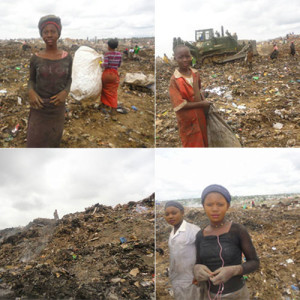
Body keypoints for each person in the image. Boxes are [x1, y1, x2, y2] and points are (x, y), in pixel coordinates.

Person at [194, 184, 259, 300]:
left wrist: (234, 270)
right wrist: (197, 268)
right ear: (203, 206)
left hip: (237, 295)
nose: (215, 209)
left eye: (220, 204)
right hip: (210, 295)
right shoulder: (200, 235)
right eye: (209, 204)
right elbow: (199, 262)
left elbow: (254, 262)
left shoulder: (238, 230)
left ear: (227, 206)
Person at [27, 15, 72, 147]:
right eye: (45, 32)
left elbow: (69, 79)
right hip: (39, 107)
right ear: (42, 35)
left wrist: (65, 92)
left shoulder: (67, 58)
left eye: (53, 31)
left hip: (57, 109)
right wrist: (31, 92)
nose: (49, 35)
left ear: (58, 33)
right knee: (34, 141)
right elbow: (31, 80)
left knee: (53, 142)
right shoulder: (36, 58)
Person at [169, 44, 210, 147]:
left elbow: (199, 90)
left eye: (187, 56)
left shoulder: (195, 74)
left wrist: (204, 102)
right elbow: (180, 104)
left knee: (203, 141)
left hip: (200, 117)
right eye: (181, 57)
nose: (185, 60)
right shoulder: (174, 80)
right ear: (175, 59)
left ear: (191, 56)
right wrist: (202, 104)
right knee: (192, 143)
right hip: (187, 120)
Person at [164, 201, 201, 300]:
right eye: (167, 214)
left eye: (174, 213)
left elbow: (202, 252)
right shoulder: (172, 232)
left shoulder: (193, 231)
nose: (170, 216)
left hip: (191, 277)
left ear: (182, 213)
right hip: (176, 276)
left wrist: (198, 274)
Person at [100, 38, 122, 118]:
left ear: (109, 46)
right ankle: (113, 111)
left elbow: (105, 65)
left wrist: (100, 63)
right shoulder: (119, 54)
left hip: (106, 75)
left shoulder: (107, 54)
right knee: (113, 92)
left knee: (104, 89)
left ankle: (102, 105)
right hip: (114, 74)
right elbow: (119, 65)